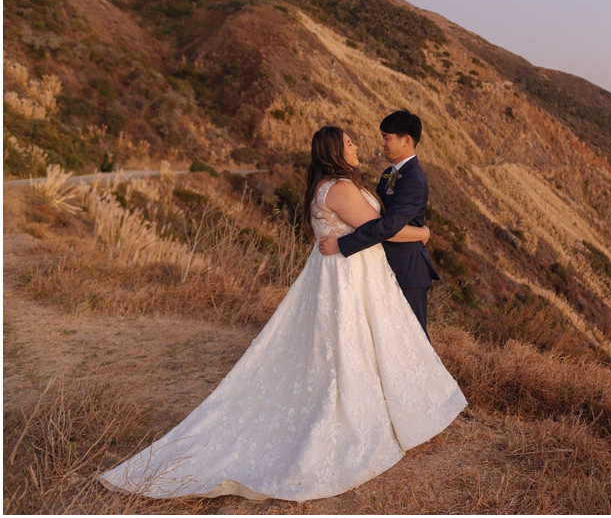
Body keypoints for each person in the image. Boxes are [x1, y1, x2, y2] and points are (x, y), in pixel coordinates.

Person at [99, 126, 467, 502]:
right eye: (350, 143)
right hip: (348, 278)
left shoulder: (334, 183)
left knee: (351, 345)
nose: (358, 147)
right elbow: (379, 230)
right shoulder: (338, 188)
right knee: (347, 346)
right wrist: (422, 235)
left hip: (353, 273)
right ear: (334, 152)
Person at [319, 110, 438, 334]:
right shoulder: (388, 173)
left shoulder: (414, 179)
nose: (382, 143)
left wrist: (342, 244)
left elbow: (388, 225)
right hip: (384, 265)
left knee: (414, 338)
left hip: (407, 267)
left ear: (407, 141)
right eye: (382, 136)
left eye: (387, 137)